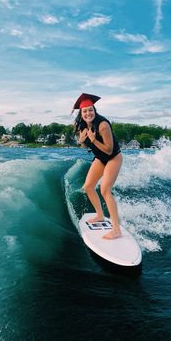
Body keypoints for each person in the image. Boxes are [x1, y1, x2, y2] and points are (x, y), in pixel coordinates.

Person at [73, 93, 123, 239]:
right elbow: (83, 144)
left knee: (105, 190)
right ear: (81, 114)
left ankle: (116, 229)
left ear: (94, 110)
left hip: (113, 157)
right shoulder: (81, 125)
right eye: (85, 111)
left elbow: (108, 149)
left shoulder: (103, 125)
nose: (88, 113)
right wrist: (81, 141)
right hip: (100, 158)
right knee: (88, 187)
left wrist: (93, 140)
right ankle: (100, 215)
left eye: (90, 110)